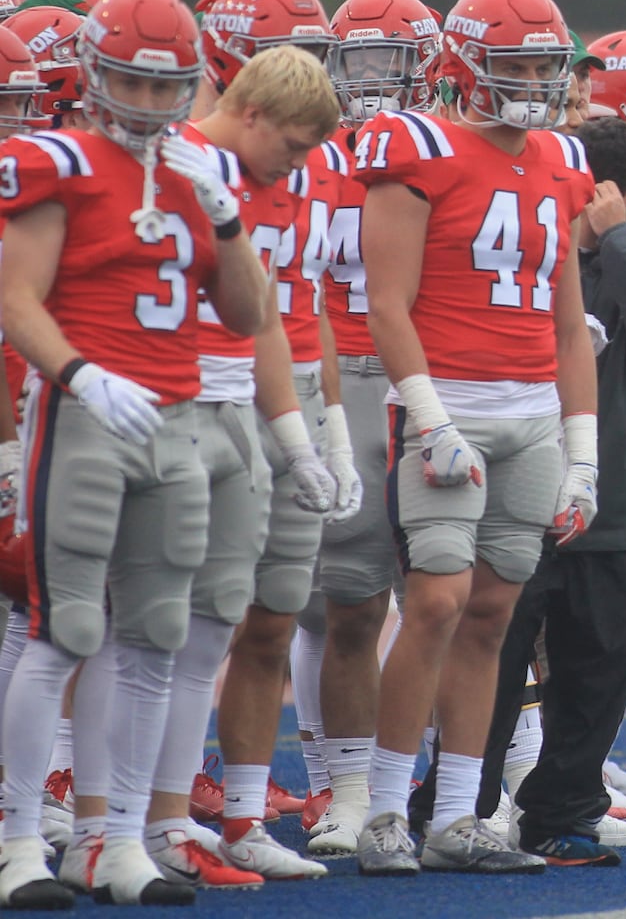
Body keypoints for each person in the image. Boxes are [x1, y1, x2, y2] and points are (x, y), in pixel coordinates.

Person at [0, 0, 270, 908]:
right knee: (65, 628)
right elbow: (14, 297)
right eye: (134, 84)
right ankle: (21, 839)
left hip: (179, 419)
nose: (152, 106)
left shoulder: (203, 171)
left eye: (167, 90)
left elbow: (244, 314)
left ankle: (117, 843)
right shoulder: (56, 160)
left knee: (154, 636)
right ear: (93, 74)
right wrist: (80, 376)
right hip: (86, 416)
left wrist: (226, 222)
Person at [354, 0, 598, 876]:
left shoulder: (562, 160)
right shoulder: (415, 145)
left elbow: (570, 324)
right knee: (434, 603)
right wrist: (428, 416)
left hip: (533, 414)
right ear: (463, 62)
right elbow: (386, 303)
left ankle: (458, 815)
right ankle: (384, 809)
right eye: (517, 61)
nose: (534, 78)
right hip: (445, 407)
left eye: (545, 62)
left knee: (495, 617)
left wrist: (584, 457)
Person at [141, 44, 339, 888]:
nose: (298, 166)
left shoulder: (271, 176)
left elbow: (282, 312)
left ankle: (182, 819)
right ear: (253, 111)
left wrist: (304, 432)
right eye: (293, 145)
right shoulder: (174, 161)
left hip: (247, 400)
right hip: (166, 400)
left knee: (224, 621)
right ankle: (101, 817)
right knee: (127, 629)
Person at [507, 116, 626, 863]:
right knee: (498, 655)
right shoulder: (528, 240)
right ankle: (468, 798)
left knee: (605, 659)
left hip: (613, 487)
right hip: (522, 472)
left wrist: (621, 235)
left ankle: (564, 806)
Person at [299, 0, 441, 856]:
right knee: (346, 601)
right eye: (362, 61)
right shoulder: (311, 155)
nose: (379, 79)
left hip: (442, 373)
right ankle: (346, 788)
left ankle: (461, 781)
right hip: (344, 376)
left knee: (455, 595)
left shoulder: (452, 153)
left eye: (397, 60)